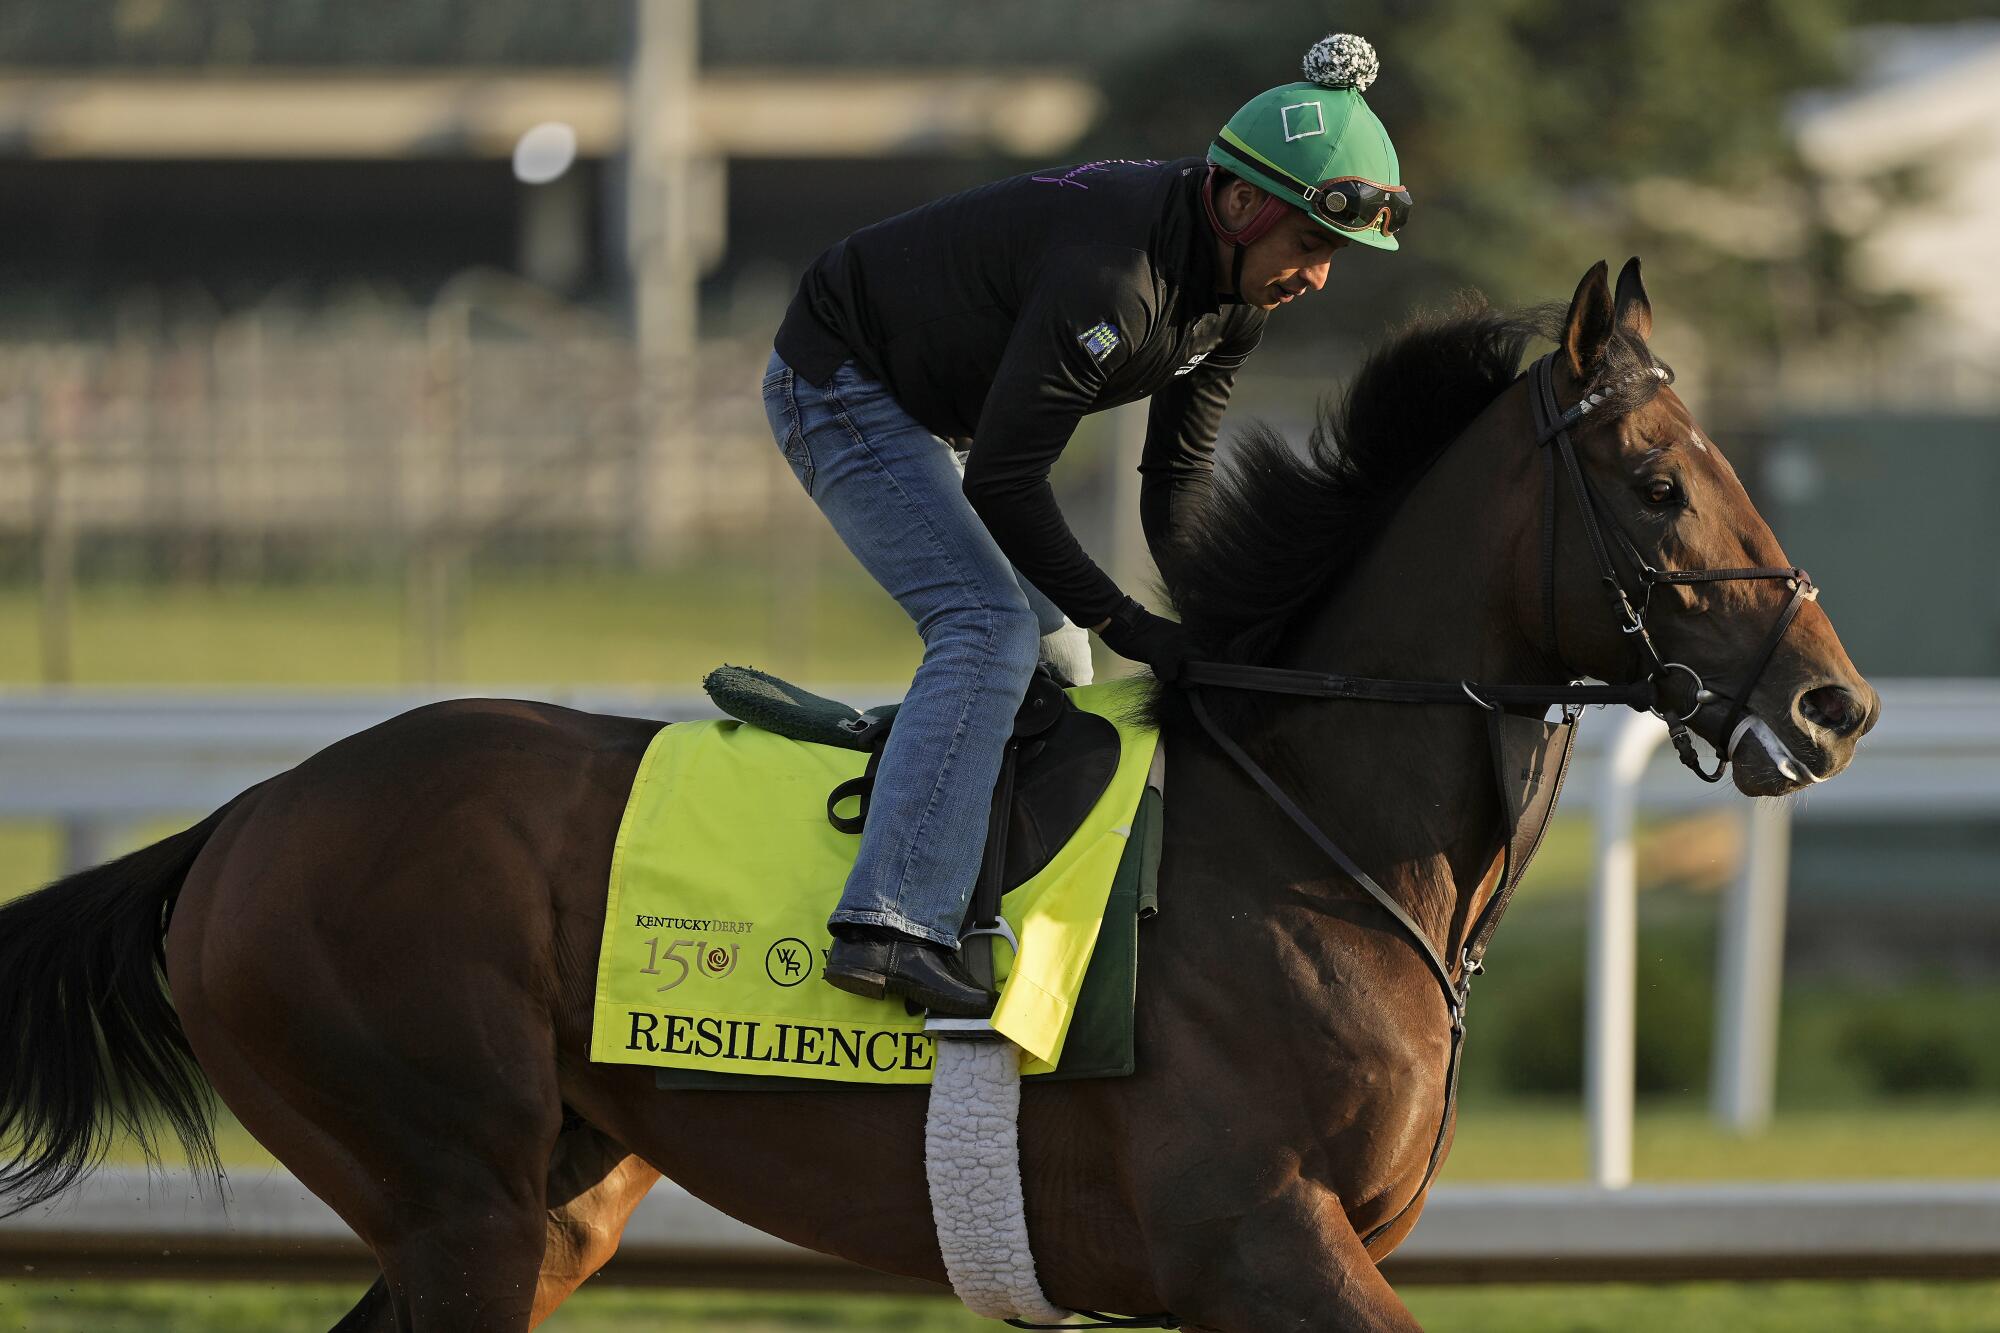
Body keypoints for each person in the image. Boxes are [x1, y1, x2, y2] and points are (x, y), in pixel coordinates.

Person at [760, 33, 1410, 1015]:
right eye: (1313, 245)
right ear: (1240, 205)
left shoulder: (1234, 300)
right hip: (839, 380)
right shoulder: (1116, 278)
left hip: (936, 411)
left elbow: (1175, 474)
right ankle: (887, 924)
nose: (1318, 277)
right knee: (988, 625)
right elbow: (1009, 484)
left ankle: (981, 895)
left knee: (1054, 655)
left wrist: (1212, 627)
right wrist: (1128, 622)